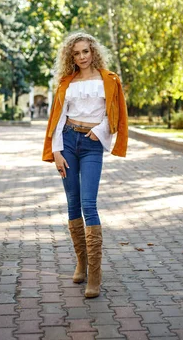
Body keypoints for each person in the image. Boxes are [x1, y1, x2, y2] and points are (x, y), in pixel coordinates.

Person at [43, 32, 128, 298]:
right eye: (76, 53)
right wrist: (56, 150)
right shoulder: (66, 82)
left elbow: (112, 113)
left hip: (92, 144)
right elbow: (58, 118)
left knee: (88, 204)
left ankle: (95, 274)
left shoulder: (109, 80)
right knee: (72, 203)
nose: (81, 57)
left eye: (85, 52)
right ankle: (81, 262)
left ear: (94, 52)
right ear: (71, 56)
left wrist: (100, 131)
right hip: (67, 141)